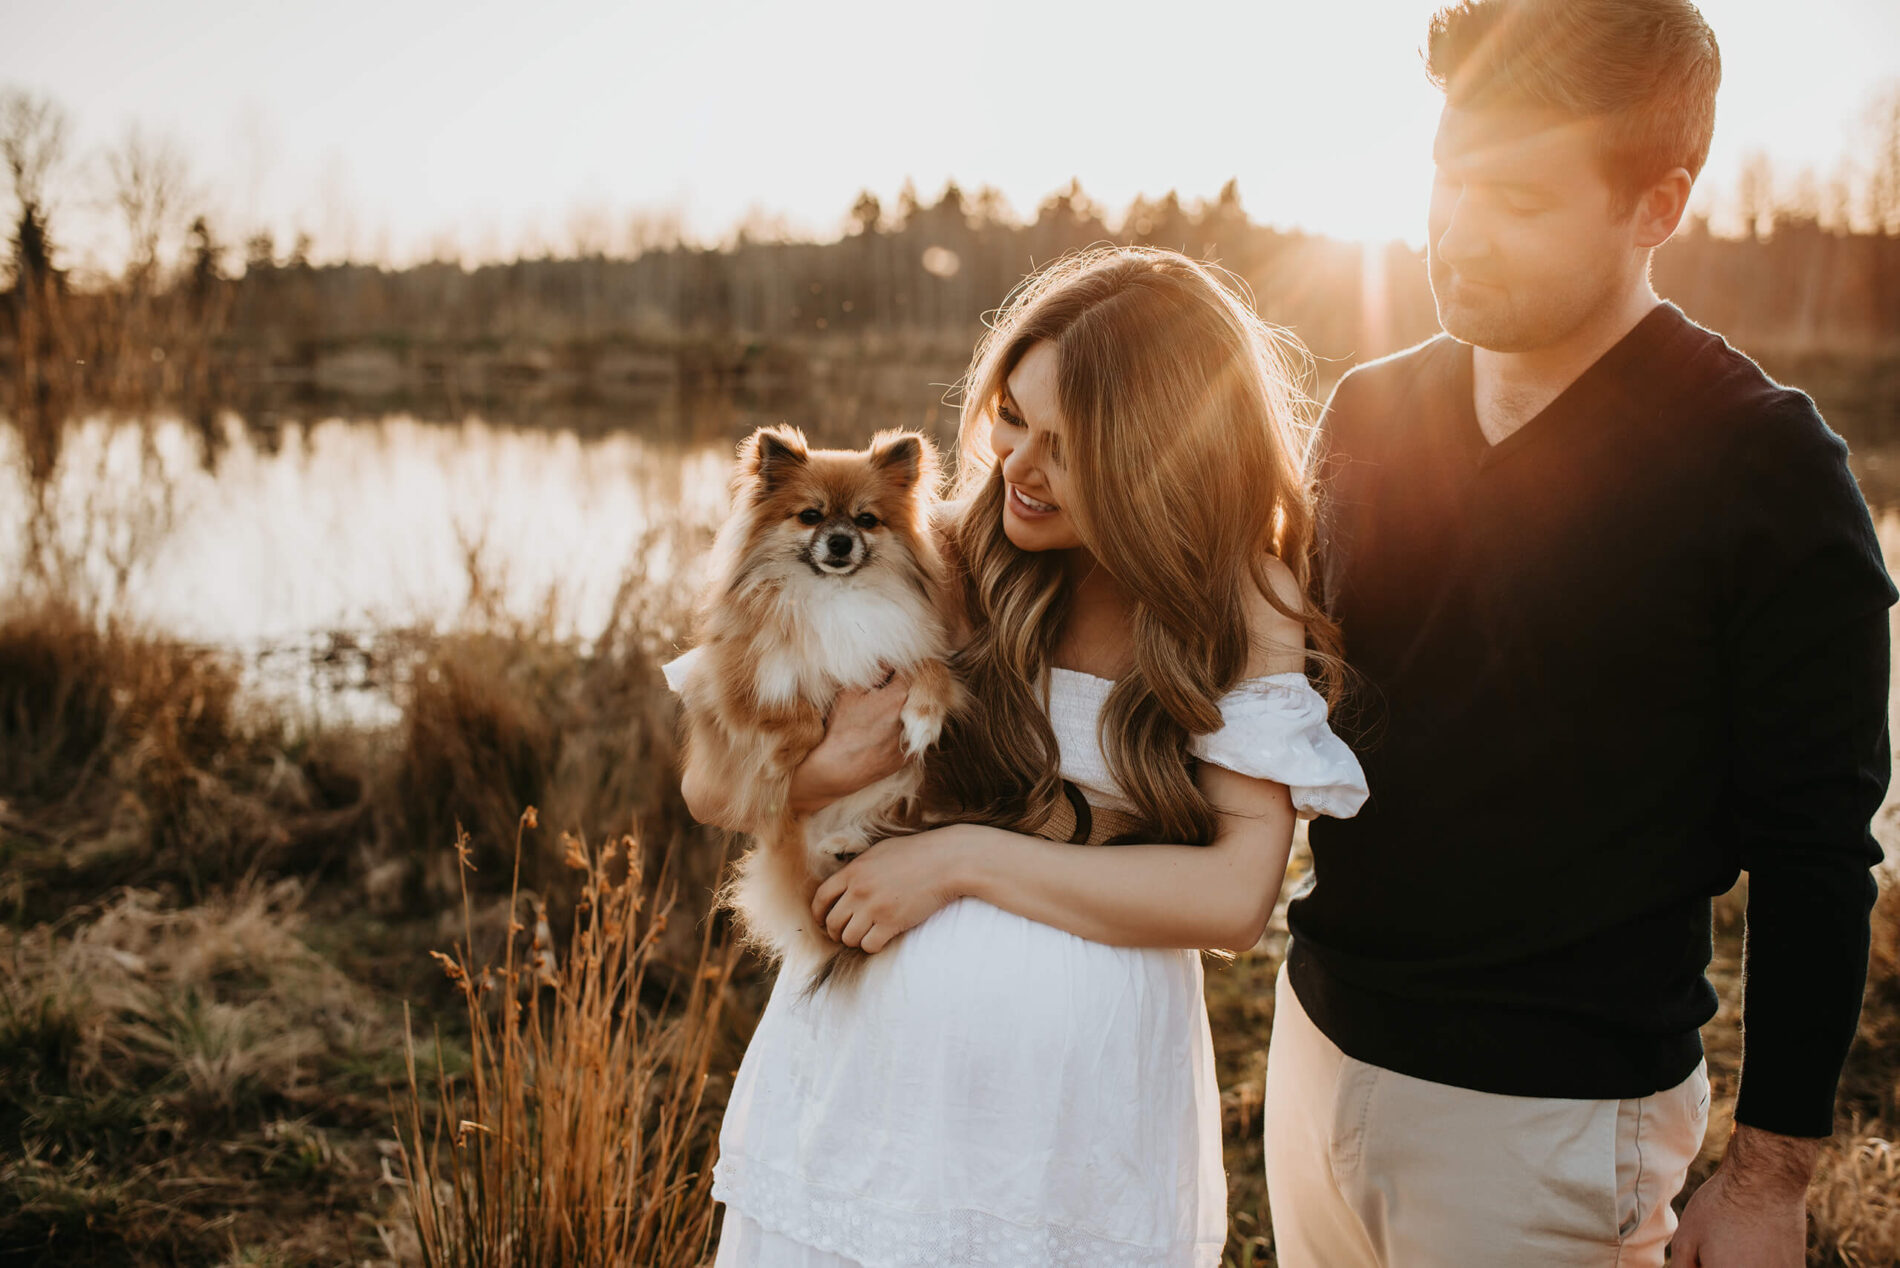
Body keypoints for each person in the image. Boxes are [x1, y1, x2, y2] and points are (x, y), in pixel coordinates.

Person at [1263, 2, 1898, 1266]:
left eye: (1519, 201)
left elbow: (1818, 849)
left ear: (1654, 206)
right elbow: (1279, 691)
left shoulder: (1766, 470)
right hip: (1314, 1052)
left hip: (1548, 1125)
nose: (1455, 231)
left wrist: (1769, 1175)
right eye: (1446, 179)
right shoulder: (1368, 409)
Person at [663, 246, 1369, 1267]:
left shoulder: (1239, 600)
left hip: (1071, 1134)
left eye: (1069, 446)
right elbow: (708, 787)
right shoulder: (941, 552)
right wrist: (828, 767)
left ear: (1163, 452)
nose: (1018, 469)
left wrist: (954, 861)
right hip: (866, 1098)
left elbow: (1231, 897)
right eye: (1011, 417)